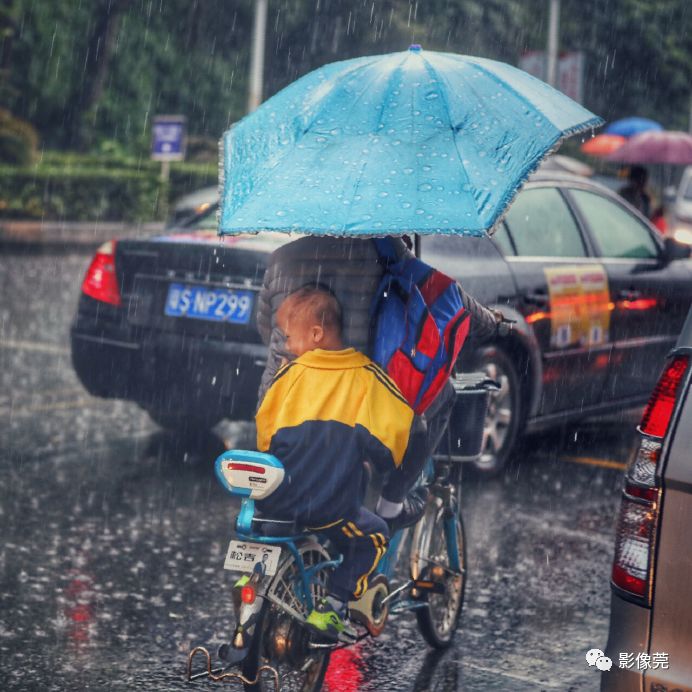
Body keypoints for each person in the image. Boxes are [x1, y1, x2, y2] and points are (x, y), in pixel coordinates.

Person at [255, 286, 427, 642]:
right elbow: (407, 433)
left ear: (316, 335)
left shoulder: (288, 376)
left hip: (276, 500)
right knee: (374, 535)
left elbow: (264, 435)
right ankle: (334, 606)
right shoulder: (365, 377)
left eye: (290, 337)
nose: (288, 346)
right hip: (328, 508)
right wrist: (394, 472)